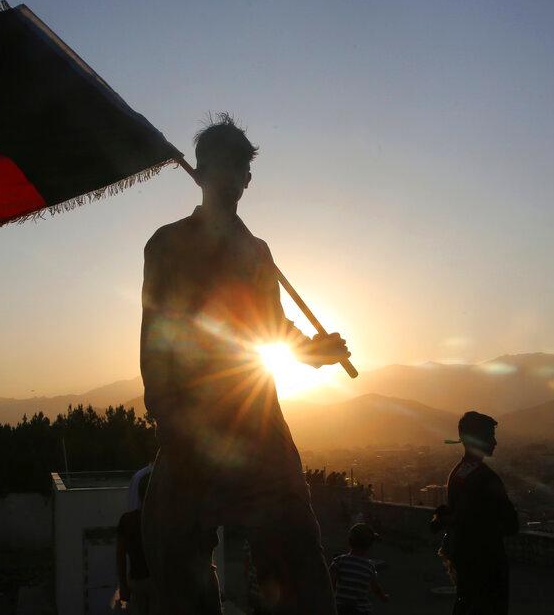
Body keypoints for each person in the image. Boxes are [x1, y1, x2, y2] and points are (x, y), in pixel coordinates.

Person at [139, 113, 350, 614]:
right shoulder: (166, 245)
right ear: (204, 168)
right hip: (191, 423)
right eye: (230, 166)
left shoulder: (257, 252)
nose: (240, 179)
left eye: (245, 171)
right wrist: (167, 419)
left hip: (255, 417)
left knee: (297, 556)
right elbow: (156, 337)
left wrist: (315, 353)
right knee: (169, 548)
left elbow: (272, 331)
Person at [432, 411, 519, 615]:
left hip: (464, 561)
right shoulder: (486, 478)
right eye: (489, 436)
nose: (495, 442)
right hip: (487, 564)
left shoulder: (457, 473)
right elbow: (511, 525)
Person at [329, 523, 389, 615]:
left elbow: (330, 581)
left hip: (340, 608)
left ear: (349, 541)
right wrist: (383, 597)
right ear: (369, 546)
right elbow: (375, 588)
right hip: (361, 611)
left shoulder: (339, 561)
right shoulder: (369, 566)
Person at [117, 474, 152, 614]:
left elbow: (120, 556)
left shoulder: (127, 520)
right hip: (156, 587)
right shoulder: (161, 524)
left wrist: (123, 586)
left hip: (136, 584)